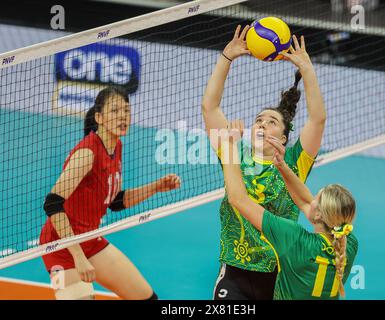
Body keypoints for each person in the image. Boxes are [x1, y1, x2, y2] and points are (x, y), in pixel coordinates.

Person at [202, 25, 327, 299]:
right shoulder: (234, 151)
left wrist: (307, 69)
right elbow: (210, 108)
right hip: (234, 272)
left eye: (272, 122)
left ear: (283, 139)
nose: (262, 124)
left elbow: (317, 119)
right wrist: (226, 57)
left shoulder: (294, 162)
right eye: (259, 120)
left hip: (278, 276)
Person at [40, 86, 181, 300]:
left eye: (126, 110)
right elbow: (52, 203)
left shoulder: (116, 147)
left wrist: (155, 187)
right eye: (115, 111)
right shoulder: (87, 153)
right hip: (61, 247)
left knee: (147, 298)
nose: (122, 116)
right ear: (99, 117)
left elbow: (114, 201)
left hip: (90, 239)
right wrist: (77, 256)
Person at [219, 120, 358, 299]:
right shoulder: (350, 244)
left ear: (318, 213)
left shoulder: (295, 239)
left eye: (316, 197)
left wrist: (230, 146)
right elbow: (305, 202)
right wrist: (282, 166)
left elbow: (238, 199)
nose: (311, 197)